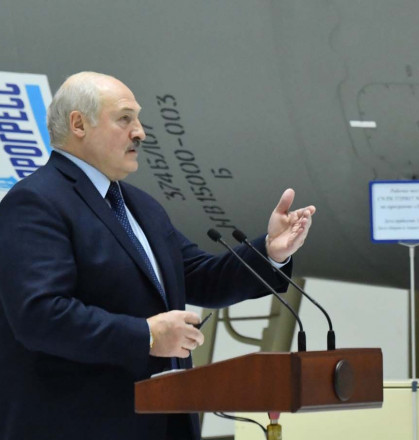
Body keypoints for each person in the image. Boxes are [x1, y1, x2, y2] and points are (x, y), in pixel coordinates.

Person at [0, 72, 315, 440]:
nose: (140, 132)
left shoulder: (139, 206)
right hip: (78, 425)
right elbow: (40, 316)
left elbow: (202, 277)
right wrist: (146, 336)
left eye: (138, 118)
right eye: (125, 118)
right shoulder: (35, 202)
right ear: (78, 124)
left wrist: (269, 253)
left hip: (163, 422)